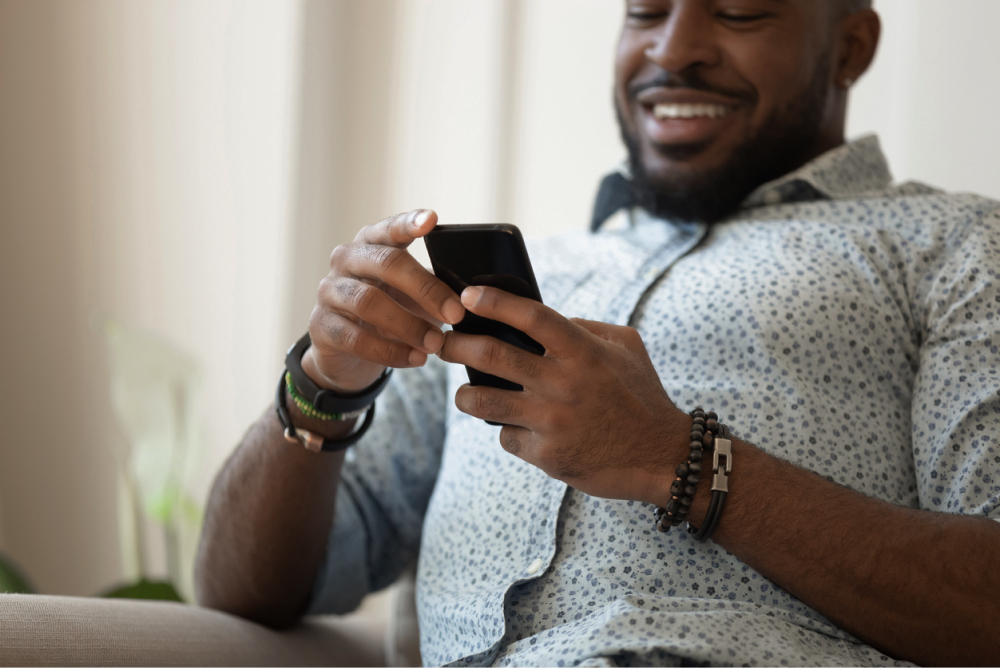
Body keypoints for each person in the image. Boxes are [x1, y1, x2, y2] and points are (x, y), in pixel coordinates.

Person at [195, 1, 1000, 666]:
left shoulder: (954, 245)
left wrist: (679, 458)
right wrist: (322, 382)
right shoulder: (491, 288)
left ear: (850, 44)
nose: (674, 47)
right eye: (645, 9)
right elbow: (246, 592)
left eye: (739, 10)